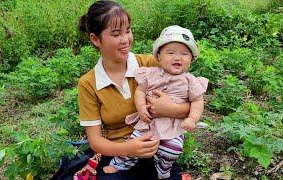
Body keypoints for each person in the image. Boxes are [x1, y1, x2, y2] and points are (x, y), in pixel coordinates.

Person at [77, 1, 191, 179]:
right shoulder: (88, 83)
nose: (125, 40)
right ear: (95, 39)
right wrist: (129, 148)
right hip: (119, 156)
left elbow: (193, 101)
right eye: (116, 34)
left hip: (158, 152)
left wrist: (172, 109)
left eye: (128, 30)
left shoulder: (151, 65)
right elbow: (96, 141)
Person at [103, 25, 208, 179]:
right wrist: (140, 108)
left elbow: (198, 101)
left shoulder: (190, 81)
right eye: (170, 53)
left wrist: (192, 119)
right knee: (135, 141)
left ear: (191, 59)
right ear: (158, 57)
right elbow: (140, 91)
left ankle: (163, 167)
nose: (177, 57)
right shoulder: (151, 73)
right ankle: (119, 164)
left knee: (173, 149)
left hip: (173, 125)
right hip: (149, 122)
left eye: (185, 54)